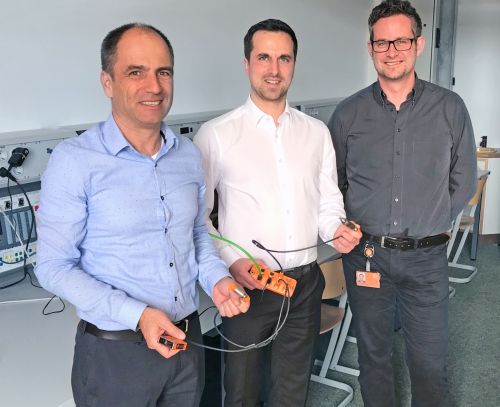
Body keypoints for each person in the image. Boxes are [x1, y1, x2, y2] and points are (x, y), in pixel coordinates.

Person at [34, 23, 249, 407]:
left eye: (163, 72)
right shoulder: (75, 161)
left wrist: (217, 279)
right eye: (136, 72)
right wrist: (138, 315)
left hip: (187, 344)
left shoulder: (187, 155)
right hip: (116, 356)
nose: (154, 86)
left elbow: (196, 235)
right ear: (108, 82)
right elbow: (53, 266)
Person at [194, 19, 361, 407]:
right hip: (250, 285)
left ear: (294, 64)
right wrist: (230, 262)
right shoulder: (216, 135)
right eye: (264, 57)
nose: (274, 69)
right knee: (242, 393)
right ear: (246, 64)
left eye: (284, 58)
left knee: (292, 391)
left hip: (305, 284)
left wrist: (336, 229)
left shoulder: (316, 132)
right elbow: (197, 218)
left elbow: (327, 202)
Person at [329, 1, 477, 406]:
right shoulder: (348, 114)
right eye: (382, 42)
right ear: (370, 48)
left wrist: (432, 219)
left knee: (428, 362)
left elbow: (463, 177)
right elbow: (333, 182)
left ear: (418, 44)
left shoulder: (449, 107)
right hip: (367, 256)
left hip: (426, 259)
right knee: (373, 357)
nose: (391, 51)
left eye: (401, 41)